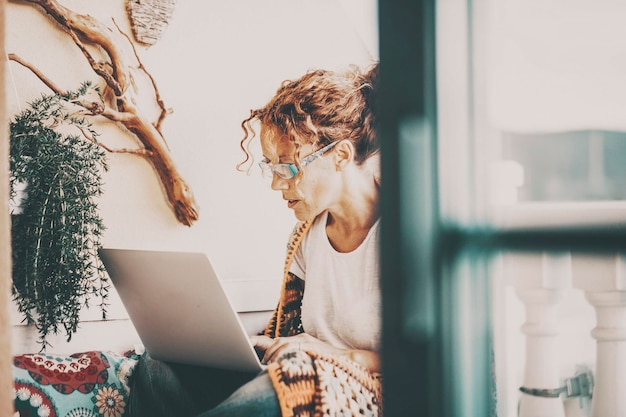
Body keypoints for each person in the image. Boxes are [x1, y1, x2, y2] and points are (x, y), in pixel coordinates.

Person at [128, 62, 382, 417]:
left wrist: (343, 357)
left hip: (370, 390)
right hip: (302, 373)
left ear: (340, 155)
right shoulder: (306, 236)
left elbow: (436, 357)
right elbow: (291, 331)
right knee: (158, 365)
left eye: (288, 167)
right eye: (271, 168)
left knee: (275, 394)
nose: (277, 183)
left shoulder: (405, 233)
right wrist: (259, 347)